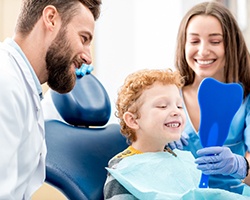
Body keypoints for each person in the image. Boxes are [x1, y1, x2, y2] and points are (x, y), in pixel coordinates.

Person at [0, 0, 101, 199]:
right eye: (83, 39)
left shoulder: (22, 85)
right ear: (51, 19)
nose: (88, 57)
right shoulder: (6, 84)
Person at [103, 69, 250, 200]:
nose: (176, 111)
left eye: (179, 106)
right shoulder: (124, 170)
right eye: (162, 106)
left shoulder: (182, 160)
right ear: (133, 120)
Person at [172, 1, 250, 194]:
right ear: (184, 44)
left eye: (215, 41)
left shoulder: (246, 99)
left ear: (231, 45)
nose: (203, 51)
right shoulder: (169, 95)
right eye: (194, 41)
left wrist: (239, 165)